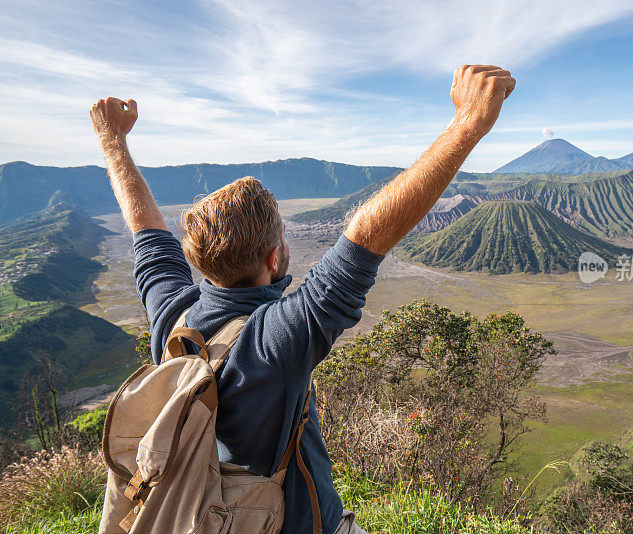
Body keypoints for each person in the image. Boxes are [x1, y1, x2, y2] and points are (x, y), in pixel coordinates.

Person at [90, 65, 515, 534]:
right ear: (275, 259)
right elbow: (364, 238)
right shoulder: (273, 345)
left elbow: (145, 232)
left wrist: (113, 141)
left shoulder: (172, 316)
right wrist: (469, 122)